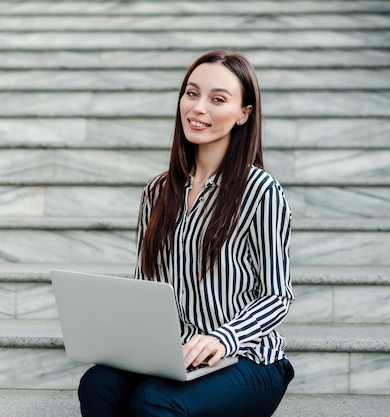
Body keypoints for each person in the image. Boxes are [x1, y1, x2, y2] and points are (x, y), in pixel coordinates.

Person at [78, 49, 295, 417]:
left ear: (244, 114)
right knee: (98, 384)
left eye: (218, 99)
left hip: (247, 359)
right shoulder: (158, 192)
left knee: (154, 401)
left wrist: (221, 338)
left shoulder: (261, 190)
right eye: (192, 93)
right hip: (174, 356)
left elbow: (277, 295)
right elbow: (146, 287)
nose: (198, 108)